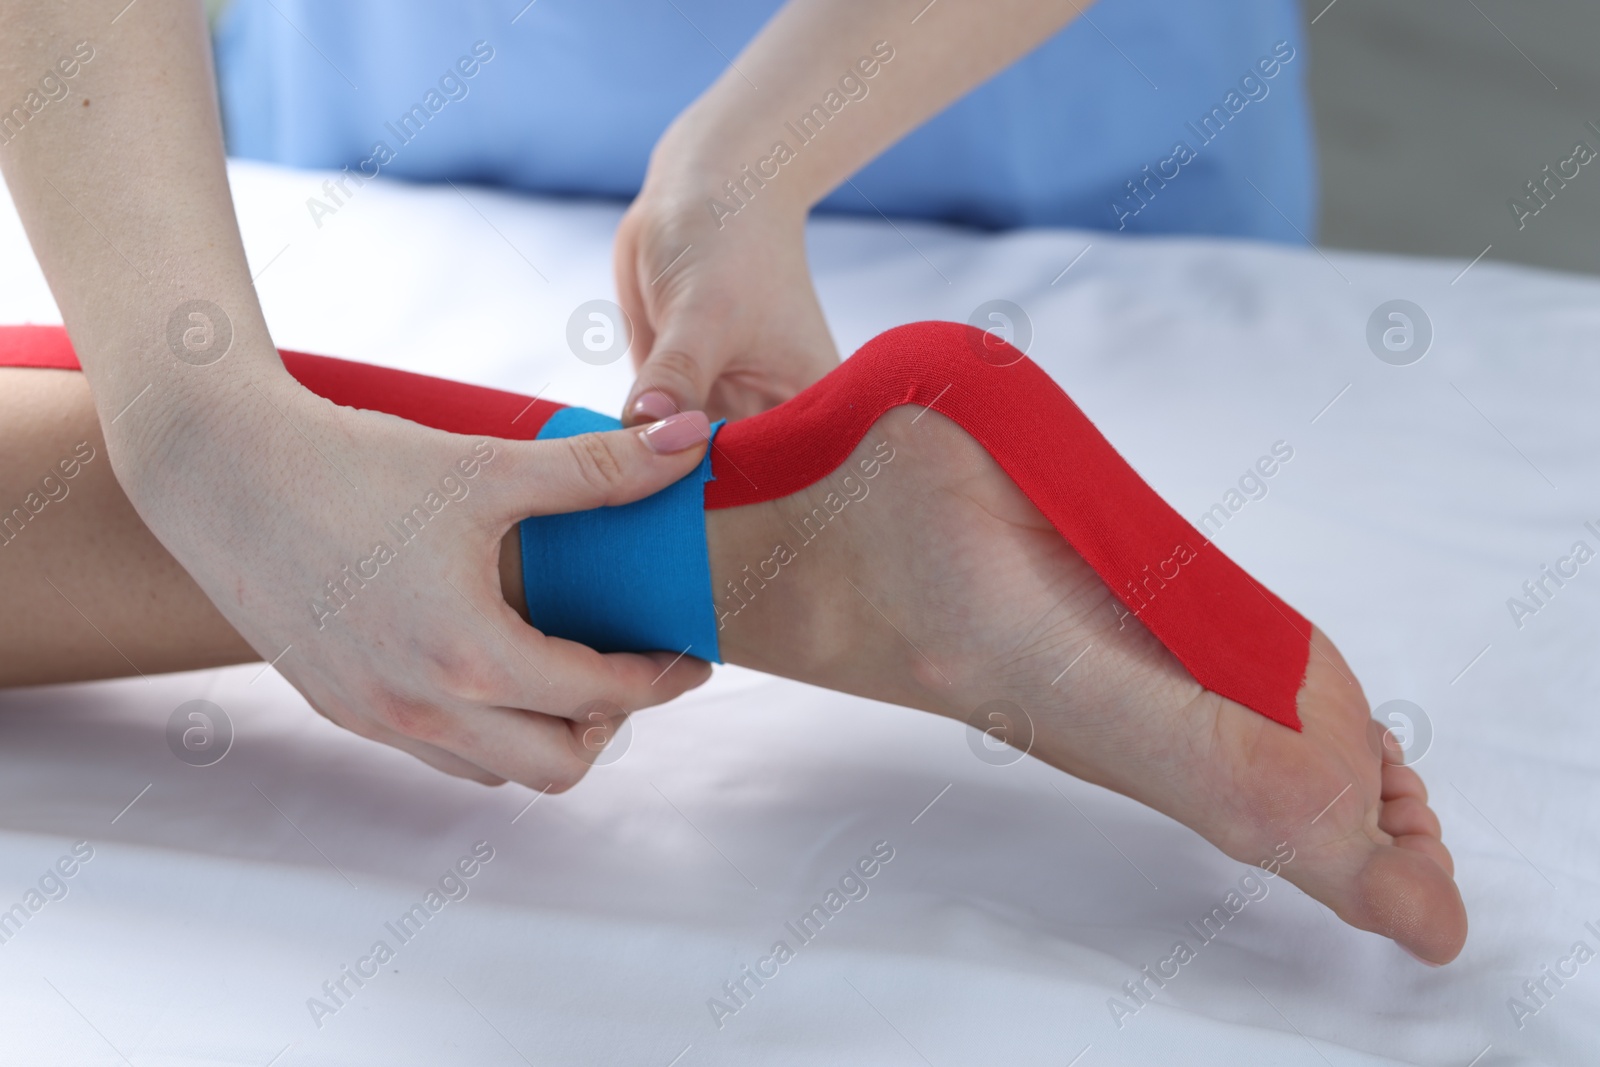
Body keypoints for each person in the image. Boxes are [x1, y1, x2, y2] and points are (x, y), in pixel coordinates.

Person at [0, 1, 1468, 962]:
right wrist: (193, 422)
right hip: (394, 101)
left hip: (1047, 124)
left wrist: (759, 153)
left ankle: (781, 545)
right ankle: (789, 541)